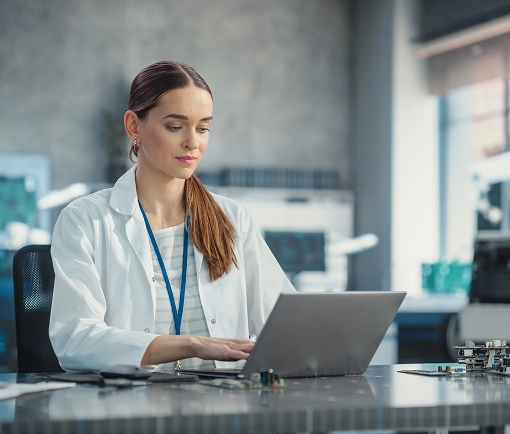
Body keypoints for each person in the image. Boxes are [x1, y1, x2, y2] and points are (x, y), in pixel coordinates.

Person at [49, 60, 296, 372]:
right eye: (175, 127)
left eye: (203, 128)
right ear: (133, 126)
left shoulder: (231, 218)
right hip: (130, 410)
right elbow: (75, 338)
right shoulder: (86, 220)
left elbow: (287, 326)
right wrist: (192, 344)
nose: (193, 142)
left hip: (223, 408)